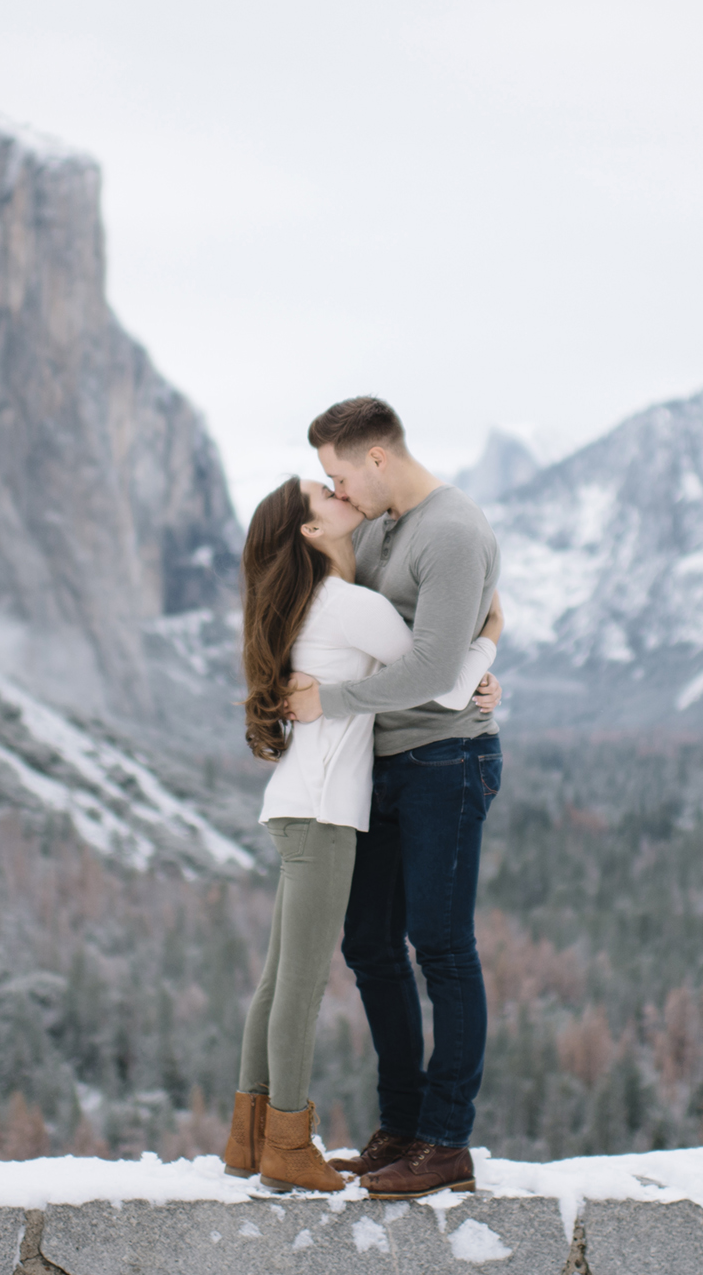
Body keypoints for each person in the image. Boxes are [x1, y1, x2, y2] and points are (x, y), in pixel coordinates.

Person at [223, 474, 501, 1193]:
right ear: (312, 532)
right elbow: (438, 680)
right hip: (324, 811)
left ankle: (247, 1137)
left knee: (277, 979)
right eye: (324, 492)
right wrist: (490, 641)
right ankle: (285, 1140)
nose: (339, 491)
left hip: (294, 802)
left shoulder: (304, 603)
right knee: (301, 984)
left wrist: (475, 678)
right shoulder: (349, 605)